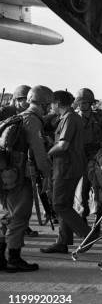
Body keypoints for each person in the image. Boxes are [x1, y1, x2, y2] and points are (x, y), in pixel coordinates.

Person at [0, 85, 53, 272]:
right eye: (49, 104)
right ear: (44, 104)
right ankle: (14, 259)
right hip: (19, 177)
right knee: (19, 217)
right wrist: (48, 174)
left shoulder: (17, 117)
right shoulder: (32, 121)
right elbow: (39, 152)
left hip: (6, 175)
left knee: (6, 216)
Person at [40, 91, 92, 254]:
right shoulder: (69, 118)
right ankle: (63, 242)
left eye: (51, 104)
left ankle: (87, 235)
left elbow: (63, 146)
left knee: (59, 204)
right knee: (65, 204)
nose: (50, 107)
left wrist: (47, 153)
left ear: (57, 103)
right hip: (69, 166)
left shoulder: (69, 118)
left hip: (66, 168)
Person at [0, 85, 39, 238]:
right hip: (5, 160)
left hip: (16, 161)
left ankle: (21, 226)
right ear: (16, 100)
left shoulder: (23, 114)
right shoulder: (4, 112)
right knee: (10, 199)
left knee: (17, 201)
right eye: (23, 100)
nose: (27, 103)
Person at [75, 88, 102, 236]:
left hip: (97, 158)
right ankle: (83, 223)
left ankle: (97, 224)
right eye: (80, 102)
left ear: (90, 103)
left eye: (86, 103)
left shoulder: (100, 119)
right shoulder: (73, 118)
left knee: (98, 191)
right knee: (81, 192)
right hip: (80, 159)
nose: (83, 105)